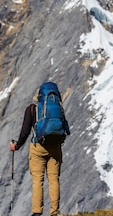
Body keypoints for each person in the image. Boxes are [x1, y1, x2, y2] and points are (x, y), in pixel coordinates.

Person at [10, 82, 69, 216]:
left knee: (38, 180)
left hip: (38, 148)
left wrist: (17, 145)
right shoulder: (58, 108)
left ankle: (37, 212)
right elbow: (64, 127)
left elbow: (25, 132)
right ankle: (54, 212)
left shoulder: (32, 109)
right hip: (55, 148)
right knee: (54, 179)